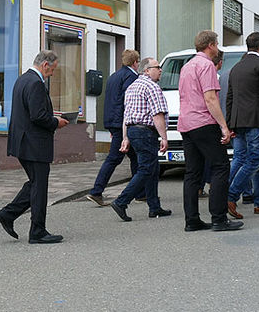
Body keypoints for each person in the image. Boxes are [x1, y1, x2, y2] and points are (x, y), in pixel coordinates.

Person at [0, 50, 70, 244]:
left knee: (35, 183)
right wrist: (56, 122)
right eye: (52, 69)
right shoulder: (36, 83)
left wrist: (52, 115)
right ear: (45, 65)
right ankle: (37, 231)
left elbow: (30, 111)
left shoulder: (22, 79)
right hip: (34, 144)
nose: (52, 73)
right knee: (39, 186)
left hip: (23, 142)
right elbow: (37, 116)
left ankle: (8, 215)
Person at [177, 30, 242, 233]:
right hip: (203, 122)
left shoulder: (187, 66)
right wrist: (224, 126)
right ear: (211, 45)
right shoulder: (206, 66)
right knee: (220, 167)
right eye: (216, 43)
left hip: (186, 123)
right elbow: (210, 98)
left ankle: (192, 219)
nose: (217, 47)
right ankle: (218, 218)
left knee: (192, 172)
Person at [225, 32, 259, 217]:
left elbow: (230, 97)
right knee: (255, 160)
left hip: (238, 120)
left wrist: (229, 123)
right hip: (256, 120)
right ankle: (230, 196)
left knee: (244, 159)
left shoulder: (236, 67)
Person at [109, 57, 170, 221]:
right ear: (146, 70)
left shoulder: (132, 87)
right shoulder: (152, 86)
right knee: (146, 169)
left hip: (134, 131)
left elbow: (126, 115)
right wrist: (164, 137)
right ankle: (121, 201)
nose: (160, 70)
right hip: (146, 132)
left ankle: (154, 207)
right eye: (157, 67)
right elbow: (157, 115)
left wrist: (125, 137)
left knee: (153, 168)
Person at [85, 49, 140, 206]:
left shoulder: (114, 76)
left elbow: (110, 100)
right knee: (114, 158)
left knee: (135, 157)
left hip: (112, 121)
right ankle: (96, 191)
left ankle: (140, 192)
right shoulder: (131, 77)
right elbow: (129, 101)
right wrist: (125, 128)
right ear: (135, 62)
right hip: (122, 123)